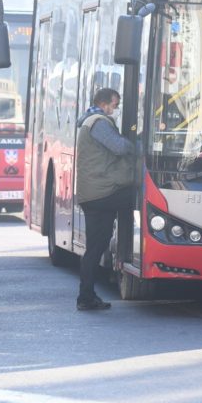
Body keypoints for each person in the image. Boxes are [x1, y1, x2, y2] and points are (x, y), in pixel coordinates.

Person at [74, 87, 136, 310]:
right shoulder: (99, 122)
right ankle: (128, 252)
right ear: (104, 103)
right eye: (115, 105)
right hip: (101, 192)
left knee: (95, 246)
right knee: (135, 198)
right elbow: (119, 147)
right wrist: (136, 144)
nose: (116, 109)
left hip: (93, 193)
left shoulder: (90, 121)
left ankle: (86, 296)